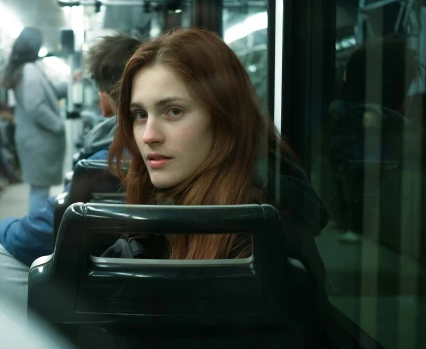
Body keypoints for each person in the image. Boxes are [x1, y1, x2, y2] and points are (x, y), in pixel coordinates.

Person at [102, 28, 329, 295]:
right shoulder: (170, 208)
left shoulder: (263, 238)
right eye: (140, 114)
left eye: (174, 111)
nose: (149, 135)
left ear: (225, 120)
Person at [0, 34, 142, 312]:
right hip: (119, 275)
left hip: (90, 291)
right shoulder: (157, 155)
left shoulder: (102, 164)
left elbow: (40, 233)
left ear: (103, 101)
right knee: (40, 190)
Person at [329, 38, 419, 244]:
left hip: (355, 162)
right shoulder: (389, 119)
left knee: (354, 192)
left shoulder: (343, 110)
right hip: (367, 164)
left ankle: (351, 224)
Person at [0, 27, 66, 214]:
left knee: (39, 190)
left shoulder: (27, 70)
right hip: (39, 142)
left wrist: (69, 84)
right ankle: (35, 233)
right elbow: (35, 106)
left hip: (34, 140)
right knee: (39, 192)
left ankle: (35, 230)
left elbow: (48, 94)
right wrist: (58, 125)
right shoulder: (29, 71)